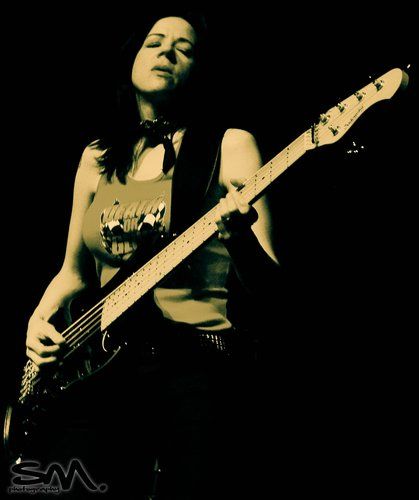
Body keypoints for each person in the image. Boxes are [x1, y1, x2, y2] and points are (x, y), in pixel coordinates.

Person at [23, 12, 279, 499]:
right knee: (45, 484)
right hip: (103, 367)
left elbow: (272, 285)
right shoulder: (96, 158)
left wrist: (239, 237)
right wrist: (37, 321)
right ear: (131, 61)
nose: (167, 52)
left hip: (194, 362)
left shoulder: (229, 145)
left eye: (184, 48)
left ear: (200, 70)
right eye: (154, 42)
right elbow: (73, 274)